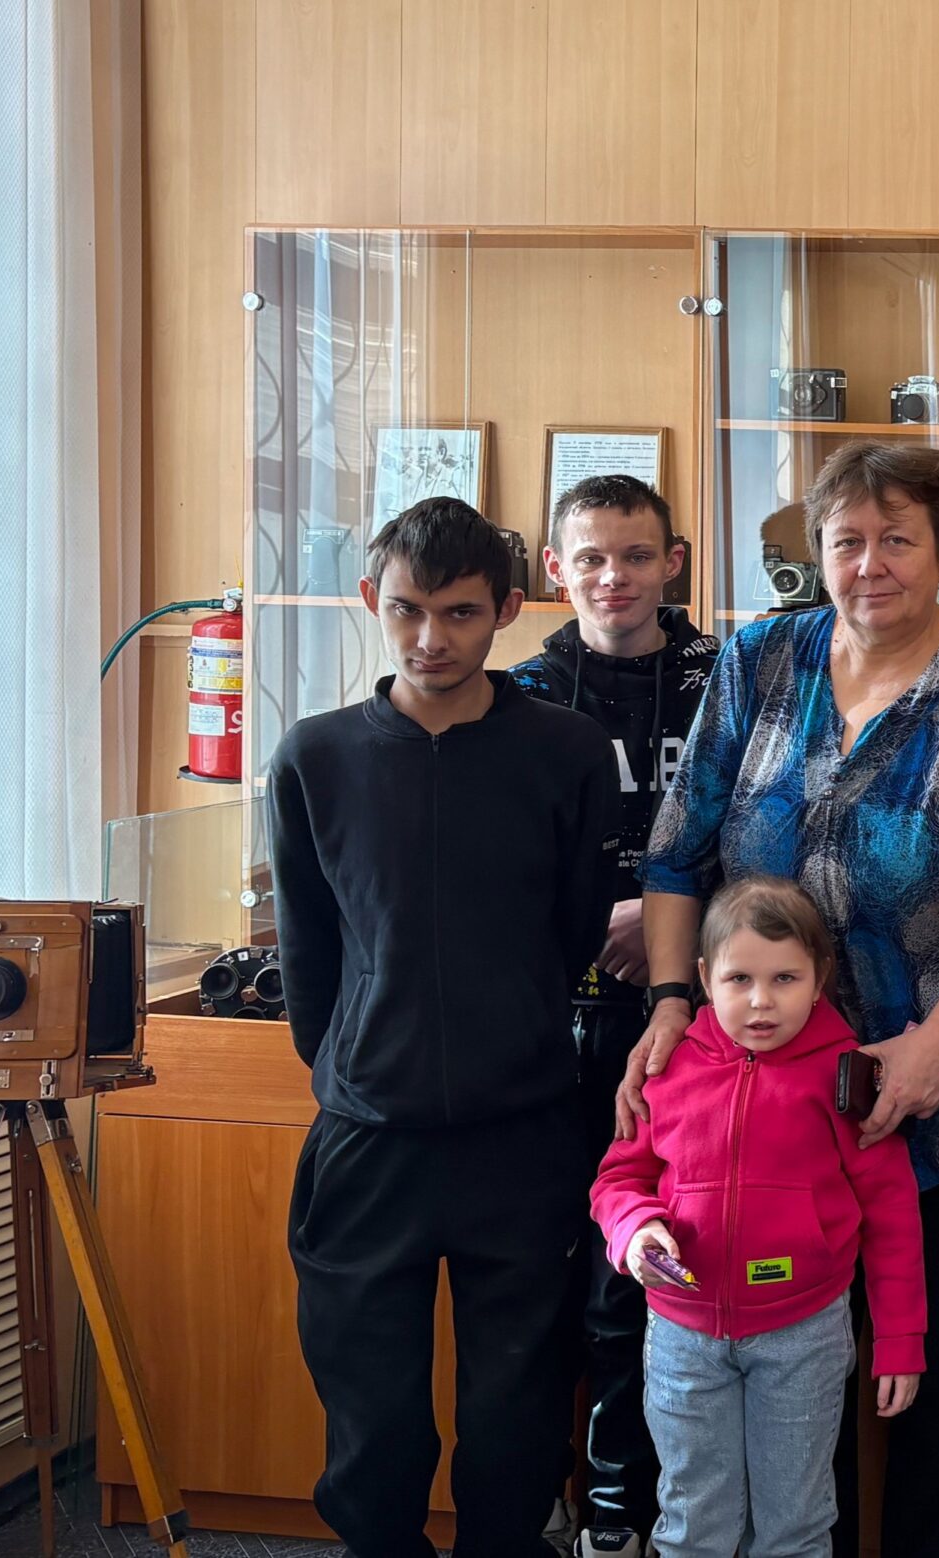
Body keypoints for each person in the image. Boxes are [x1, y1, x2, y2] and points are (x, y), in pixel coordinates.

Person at [623, 440, 939, 1558]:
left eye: (897, 539)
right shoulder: (760, 659)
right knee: (789, 1385)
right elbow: (677, 851)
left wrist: (936, 1045)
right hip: (768, 1102)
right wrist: (673, 1003)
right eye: (846, 541)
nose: (870, 564)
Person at [272, 497, 620, 1558]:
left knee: (517, 1412)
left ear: (508, 609)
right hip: (368, 1135)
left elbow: (574, 931)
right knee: (369, 1416)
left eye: (461, 612)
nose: (431, 639)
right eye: (408, 610)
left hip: (523, 1128)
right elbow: (307, 948)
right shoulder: (314, 756)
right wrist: (360, 1063)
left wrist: (506, 1030)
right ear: (370, 600)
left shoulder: (568, 750)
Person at [509, 473, 720, 1558]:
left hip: (697, 1023)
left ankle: (619, 1508)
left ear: (673, 561)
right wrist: (601, 916)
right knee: (544, 1269)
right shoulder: (522, 691)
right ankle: (540, 1489)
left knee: (641, 1275)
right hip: (554, 1024)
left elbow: (768, 834)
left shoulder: (727, 677)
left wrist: (670, 922)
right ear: (556, 569)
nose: (613, 577)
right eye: (589, 557)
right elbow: (499, 863)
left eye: (636, 555)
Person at [592, 875, 926, 1558]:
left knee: (795, 1526)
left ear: (819, 978)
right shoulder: (667, 1068)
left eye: (784, 979)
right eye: (740, 979)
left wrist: (900, 1341)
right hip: (682, 1337)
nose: (761, 1001)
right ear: (704, 978)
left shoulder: (848, 1076)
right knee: (692, 1524)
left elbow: (891, 1215)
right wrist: (637, 1229)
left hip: (803, 1337)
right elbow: (618, 1179)